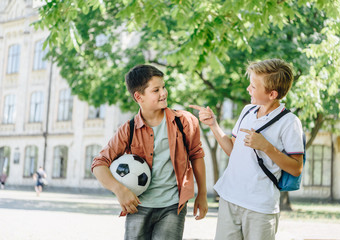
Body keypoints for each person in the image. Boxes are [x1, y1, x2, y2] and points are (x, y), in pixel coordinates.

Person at [190, 59, 304, 240]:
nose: (248, 89)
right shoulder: (247, 111)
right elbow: (232, 149)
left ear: (272, 94)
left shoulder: (289, 122)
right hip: (230, 198)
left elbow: (296, 168)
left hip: (260, 207)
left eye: (253, 86)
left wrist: (266, 146)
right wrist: (213, 125)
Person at [91, 64, 208, 240]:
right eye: (156, 90)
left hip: (172, 207)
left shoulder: (184, 122)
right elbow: (99, 164)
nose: (164, 93)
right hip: (138, 206)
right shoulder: (128, 130)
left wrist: (203, 194)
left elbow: (196, 156)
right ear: (139, 96)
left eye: (164, 87)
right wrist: (119, 190)